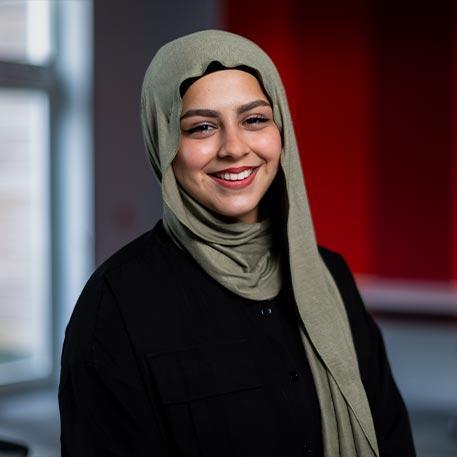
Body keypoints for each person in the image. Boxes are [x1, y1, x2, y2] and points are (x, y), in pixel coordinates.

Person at [58, 30, 416, 457]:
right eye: (202, 127)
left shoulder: (329, 276)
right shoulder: (116, 305)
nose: (234, 148)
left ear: (280, 128)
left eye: (254, 119)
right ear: (164, 141)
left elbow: (391, 436)